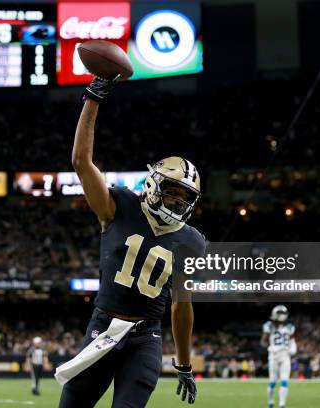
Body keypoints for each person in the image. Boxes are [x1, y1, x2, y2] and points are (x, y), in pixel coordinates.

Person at [55, 75, 206, 407]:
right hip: (104, 327)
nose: (178, 202)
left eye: (185, 197)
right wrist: (92, 99)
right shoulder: (120, 206)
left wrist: (183, 364)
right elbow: (82, 163)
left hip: (145, 339)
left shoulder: (192, 242)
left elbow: (182, 306)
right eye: (172, 192)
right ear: (153, 185)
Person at [261, 305, 297, 408]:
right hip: (273, 355)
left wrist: (293, 347)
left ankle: (282, 404)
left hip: (285, 355)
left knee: (284, 380)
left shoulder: (290, 327)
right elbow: (263, 341)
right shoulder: (269, 326)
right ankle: (270, 402)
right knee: (272, 381)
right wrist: (270, 347)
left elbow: (292, 340)